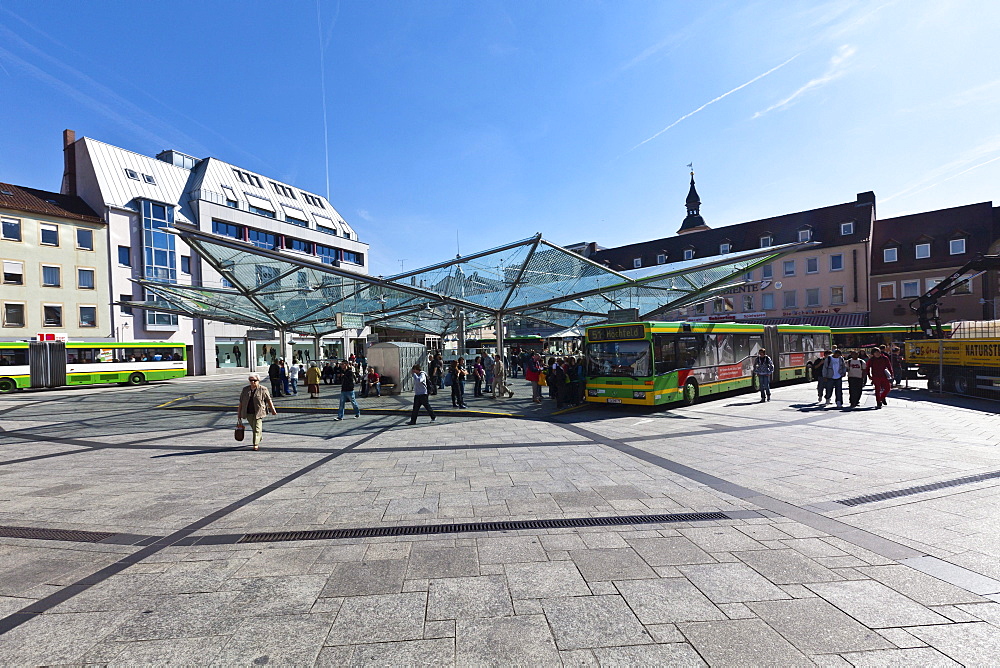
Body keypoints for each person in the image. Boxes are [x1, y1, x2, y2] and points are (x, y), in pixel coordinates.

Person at [237, 374, 277, 451]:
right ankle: (259, 436)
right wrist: (239, 413)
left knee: (257, 428)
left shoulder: (263, 389)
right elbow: (241, 402)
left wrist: (273, 410)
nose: (252, 382)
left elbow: (269, 400)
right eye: (251, 380)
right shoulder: (245, 390)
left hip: (259, 412)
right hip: (248, 412)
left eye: (254, 380)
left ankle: (255, 444)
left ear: (258, 381)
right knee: (254, 427)